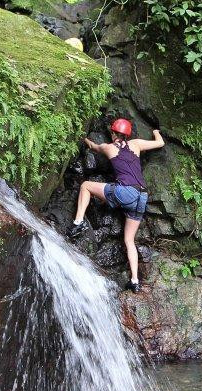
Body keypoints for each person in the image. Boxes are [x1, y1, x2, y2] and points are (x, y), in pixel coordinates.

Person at [68, 118, 164, 292]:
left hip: (126, 192)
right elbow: (160, 143)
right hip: (142, 196)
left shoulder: (108, 147)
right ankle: (135, 281)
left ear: (113, 133)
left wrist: (85, 139)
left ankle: (78, 222)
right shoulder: (136, 144)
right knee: (129, 240)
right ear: (127, 135)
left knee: (86, 186)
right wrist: (156, 131)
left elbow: (93, 147)